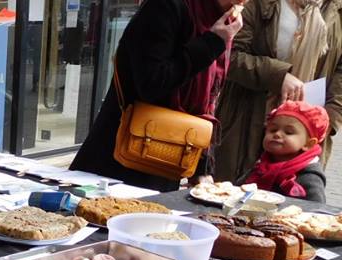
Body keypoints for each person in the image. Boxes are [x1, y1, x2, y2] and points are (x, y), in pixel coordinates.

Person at [69, 0, 244, 191]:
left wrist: (202, 168)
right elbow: (151, 83)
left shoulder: (220, 19)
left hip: (166, 163)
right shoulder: (166, 7)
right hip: (118, 161)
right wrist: (212, 42)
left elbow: (205, 101)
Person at [214, 0, 342, 182]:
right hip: (246, 121)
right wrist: (278, 76)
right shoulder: (258, 4)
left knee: (294, 204)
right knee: (230, 198)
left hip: (307, 130)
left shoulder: (337, 10)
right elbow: (229, 54)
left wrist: (328, 120)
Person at [241, 100, 329, 201]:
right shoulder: (261, 166)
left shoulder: (308, 176)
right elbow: (237, 190)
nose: (277, 134)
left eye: (288, 132)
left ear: (308, 144)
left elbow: (317, 209)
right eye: (272, 130)